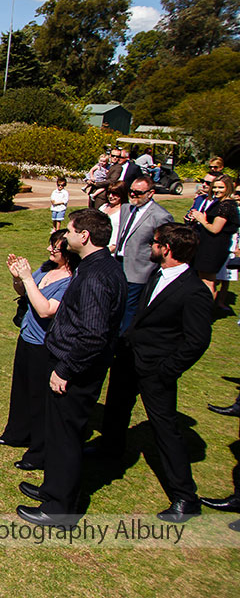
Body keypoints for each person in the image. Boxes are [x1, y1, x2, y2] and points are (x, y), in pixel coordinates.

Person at [91, 223, 213, 522]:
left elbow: (198, 340)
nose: (151, 247)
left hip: (156, 370)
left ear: (167, 249)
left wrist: (168, 369)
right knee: (117, 408)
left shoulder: (193, 291)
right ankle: (110, 449)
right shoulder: (156, 274)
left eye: (155, 243)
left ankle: (185, 497)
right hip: (129, 358)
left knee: (164, 428)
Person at [16, 208, 127, 527]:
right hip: (73, 363)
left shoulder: (95, 276)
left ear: (85, 236)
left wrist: (66, 368)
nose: (64, 235)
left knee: (66, 437)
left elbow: (93, 334)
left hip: (76, 370)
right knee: (58, 432)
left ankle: (60, 509)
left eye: (69, 230)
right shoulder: (100, 265)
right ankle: (53, 489)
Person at [0, 230, 77, 471]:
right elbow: (25, 294)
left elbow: (45, 310)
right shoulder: (47, 270)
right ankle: (17, 433)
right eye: (50, 246)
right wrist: (18, 279)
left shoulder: (71, 281)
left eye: (56, 248)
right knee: (21, 389)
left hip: (46, 345)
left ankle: (38, 451)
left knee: (40, 399)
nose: (50, 250)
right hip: (27, 337)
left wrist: (28, 278)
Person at [110, 175, 174, 333]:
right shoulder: (127, 208)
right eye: (131, 191)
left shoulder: (160, 216)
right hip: (118, 263)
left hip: (139, 269)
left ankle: (123, 342)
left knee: (129, 309)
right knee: (115, 304)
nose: (132, 195)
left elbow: (164, 247)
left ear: (150, 193)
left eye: (138, 193)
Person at [189, 174, 239, 296]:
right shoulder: (219, 203)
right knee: (202, 279)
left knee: (208, 282)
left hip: (214, 248)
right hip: (207, 244)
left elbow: (215, 229)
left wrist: (202, 220)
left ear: (228, 188)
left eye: (221, 187)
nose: (216, 190)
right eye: (215, 187)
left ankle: (206, 312)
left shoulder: (226, 206)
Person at [100, 181, 128, 252]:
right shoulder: (103, 207)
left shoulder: (124, 212)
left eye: (115, 194)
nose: (110, 196)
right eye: (109, 193)